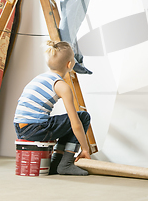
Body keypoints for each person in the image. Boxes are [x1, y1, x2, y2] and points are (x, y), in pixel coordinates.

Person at [14, 40, 92, 176]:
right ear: (70, 64)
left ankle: (56, 162)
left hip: (20, 128)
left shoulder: (40, 78)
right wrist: (85, 149)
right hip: (35, 128)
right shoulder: (62, 86)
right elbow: (76, 124)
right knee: (82, 117)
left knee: (66, 122)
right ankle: (66, 163)